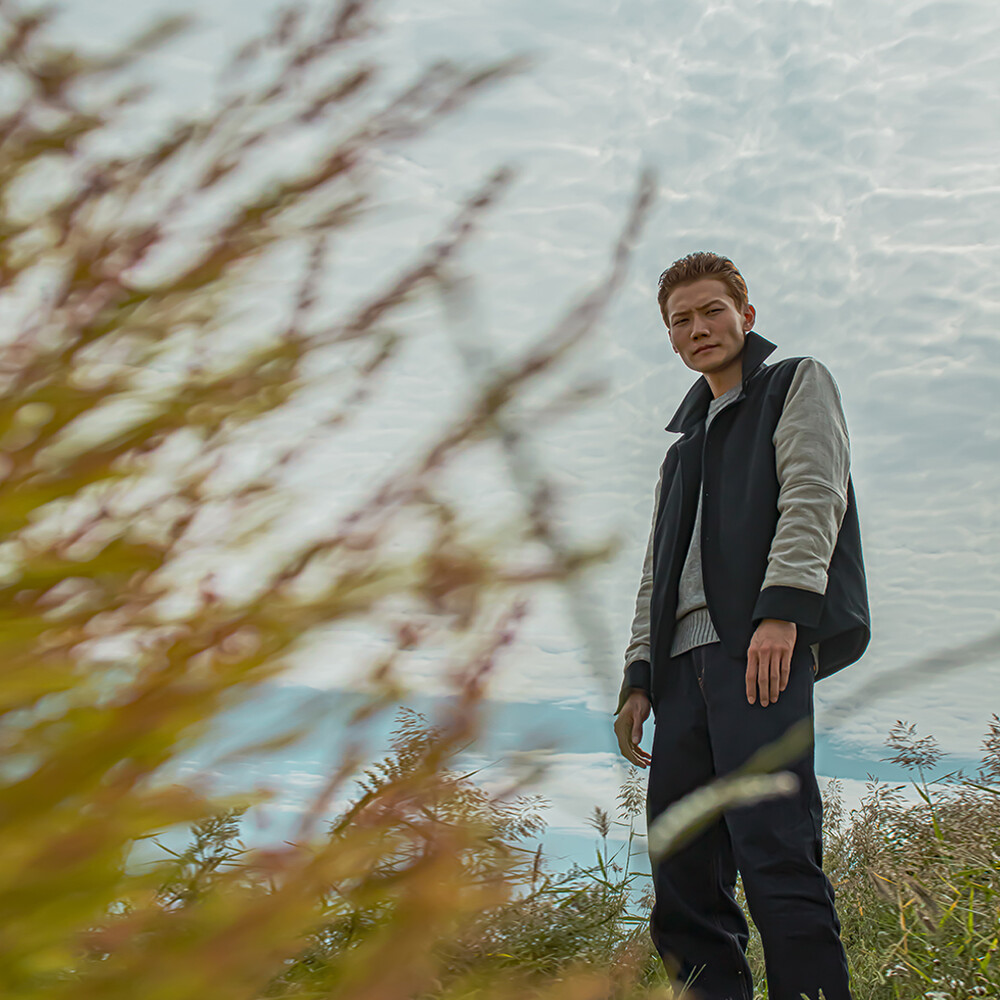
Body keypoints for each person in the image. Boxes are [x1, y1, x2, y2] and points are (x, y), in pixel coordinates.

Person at [612, 251, 870, 1000]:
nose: (698, 329)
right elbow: (656, 571)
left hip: (757, 652)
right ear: (670, 335)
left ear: (745, 315)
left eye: (711, 311)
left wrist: (782, 613)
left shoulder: (795, 383)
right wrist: (638, 677)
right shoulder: (680, 452)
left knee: (774, 852)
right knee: (682, 872)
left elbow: (814, 493)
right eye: (680, 320)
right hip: (678, 674)